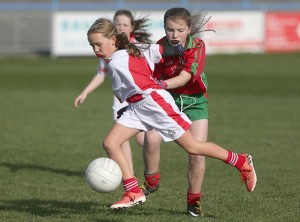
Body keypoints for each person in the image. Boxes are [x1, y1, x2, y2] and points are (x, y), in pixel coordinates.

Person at [86, 17, 257, 210]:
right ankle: (133, 191)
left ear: (113, 40)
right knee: (110, 143)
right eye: (92, 46)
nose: (96, 50)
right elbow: (162, 50)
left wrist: (187, 50)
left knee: (193, 147)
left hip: (154, 104)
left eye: (98, 44)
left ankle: (241, 161)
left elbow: (143, 82)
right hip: (137, 106)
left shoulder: (120, 59)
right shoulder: (134, 49)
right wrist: (179, 50)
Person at [140, 8, 212, 217]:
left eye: (180, 30)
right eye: (170, 29)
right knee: (151, 139)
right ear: (164, 28)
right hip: (168, 101)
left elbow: (184, 77)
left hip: (195, 101)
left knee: (196, 153)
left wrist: (160, 84)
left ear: (189, 29)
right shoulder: (159, 48)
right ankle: (152, 182)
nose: (174, 35)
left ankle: (194, 201)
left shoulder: (197, 46)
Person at [74, 10, 151, 173]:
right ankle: (129, 173)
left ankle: (152, 165)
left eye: (125, 24)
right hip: (121, 101)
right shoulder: (107, 49)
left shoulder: (138, 47)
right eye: (117, 24)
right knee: (119, 139)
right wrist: (85, 92)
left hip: (141, 98)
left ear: (131, 27)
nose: (121, 27)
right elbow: (102, 73)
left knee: (142, 140)